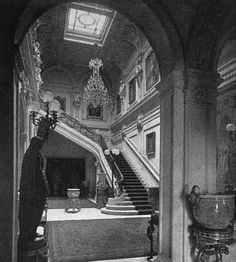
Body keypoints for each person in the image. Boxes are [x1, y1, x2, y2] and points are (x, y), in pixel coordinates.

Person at [18, 119, 49, 259]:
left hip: (36, 194)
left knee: (35, 216)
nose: (41, 145)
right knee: (29, 215)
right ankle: (27, 236)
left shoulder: (35, 155)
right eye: (40, 143)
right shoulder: (31, 155)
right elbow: (30, 176)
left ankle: (31, 233)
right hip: (31, 194)